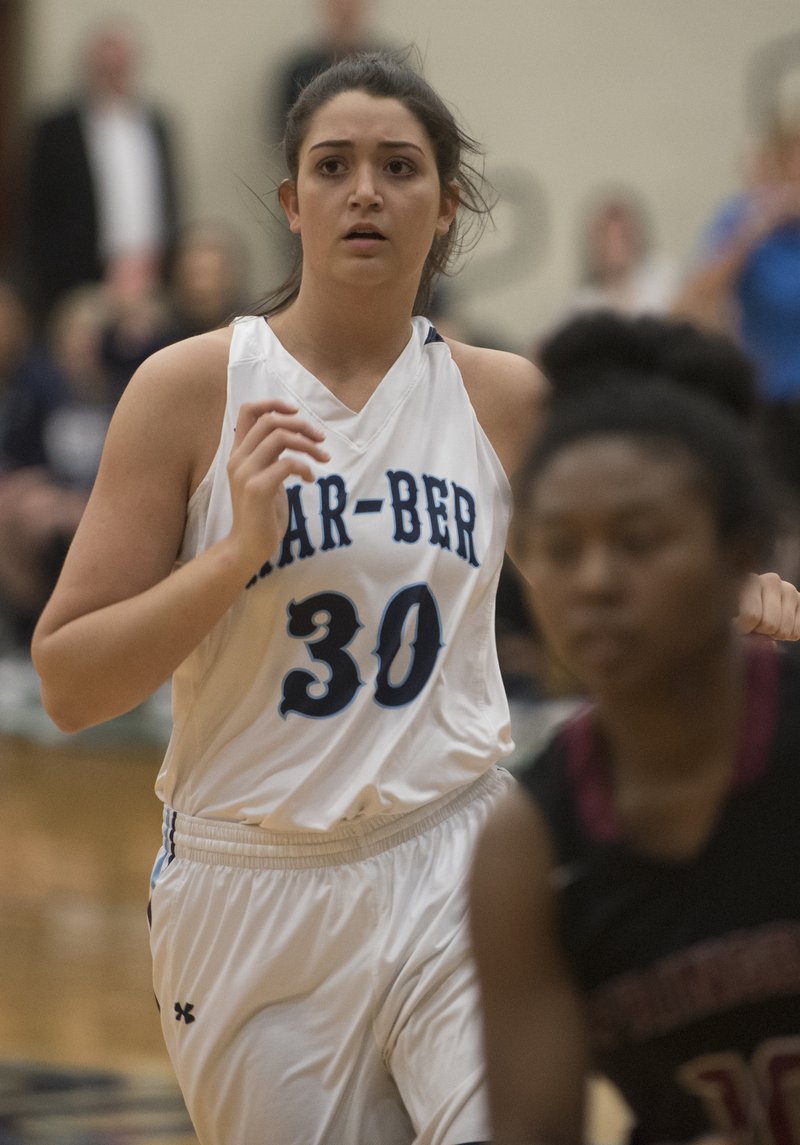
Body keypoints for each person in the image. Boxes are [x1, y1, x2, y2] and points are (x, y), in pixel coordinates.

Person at [29, 52, 800, 1145]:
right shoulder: (188, 389)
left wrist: (727, 599)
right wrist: (232, 555)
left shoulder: (503, 395)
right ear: (292, 204)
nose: (365, 192)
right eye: (333, 166)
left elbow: (606, 601)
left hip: (455, 854)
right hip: (250, 885)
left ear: (445, 207)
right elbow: (66, 682)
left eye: (399, 167)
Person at [469, 378, 800, 1145]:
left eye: (639, 539)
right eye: (559, 548)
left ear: (739, 553)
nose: (594, 581)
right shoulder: (529, 845)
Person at [23, 19, 181, 324]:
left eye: (119, 66)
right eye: (103, 67)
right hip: (80, 283)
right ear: (87, 68)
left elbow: (170, 200)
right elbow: (38, 214)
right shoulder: (56, 130)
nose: (112, 75)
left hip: (151, 282)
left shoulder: (157, 123)